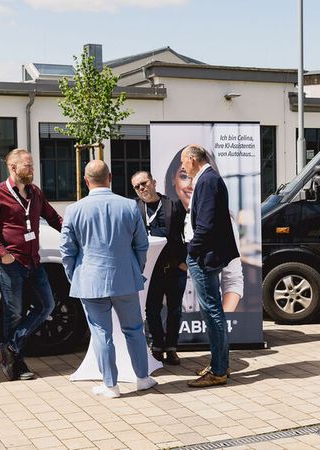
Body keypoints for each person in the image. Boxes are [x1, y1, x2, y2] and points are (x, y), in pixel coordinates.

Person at [59, 160, 156, 398]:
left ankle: (111, 385)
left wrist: (75, 276)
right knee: (134, 329)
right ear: (110, 177)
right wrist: (135, 269)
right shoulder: (130, 206)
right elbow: (141, 245)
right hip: (124, 278)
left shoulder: (73, 210)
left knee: (101, 332)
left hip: (89, 280)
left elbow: (66, 251)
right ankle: (142, 377)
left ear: (85, 180)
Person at [0, 148, 63, 381]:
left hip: (34, 261)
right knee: (14, 314)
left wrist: (73, 233)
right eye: (28, 166)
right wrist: (2, 252)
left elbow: (54, 218)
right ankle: (17, 365)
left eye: (32, 165)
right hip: (10, 264)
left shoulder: (35, 193)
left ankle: (11, 347)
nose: (32, 169)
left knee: (47, 305)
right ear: (12, 167)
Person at [182, 144, 239, 388]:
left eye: (185, 163)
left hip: (204, 256)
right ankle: (220, 363)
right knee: (213, 311)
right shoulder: (209, 179)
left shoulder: (207, 181)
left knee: (212, 312)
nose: (184, 168)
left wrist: (192, 251)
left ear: (193, 160)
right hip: (206, 254)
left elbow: (205, 224)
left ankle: (218, 370)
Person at [131, 170, 187, 365]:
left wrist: (184, 263)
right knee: (151, 310)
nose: (141, 188)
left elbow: (187, 234)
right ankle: (157, 346)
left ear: (153, 182)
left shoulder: (174, 205)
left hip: (174, 268)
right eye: (137, 186)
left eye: (144, 183)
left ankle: (171, 348)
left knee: (174, 310)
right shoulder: (134, 208)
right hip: (149, 271)